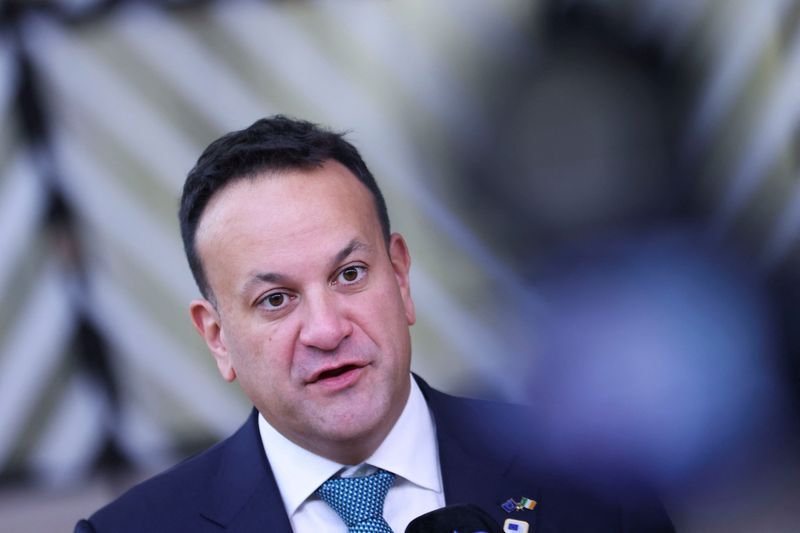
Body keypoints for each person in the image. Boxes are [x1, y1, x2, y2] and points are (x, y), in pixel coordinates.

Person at [75, 116, 674, 532]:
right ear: (217, 337)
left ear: (402, 277)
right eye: (277, 300)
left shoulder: (592, 478)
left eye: (351, 274)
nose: (327, 329)